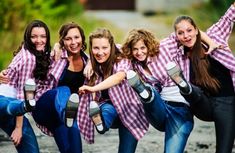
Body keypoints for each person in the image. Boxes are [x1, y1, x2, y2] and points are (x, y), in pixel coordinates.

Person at [163, 2, 235, 153]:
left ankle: (185, 86)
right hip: (202, 103)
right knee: (192, 91)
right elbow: (163, 44)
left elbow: (229, 16)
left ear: (197, 30)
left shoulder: (215, 35)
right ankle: (183, 85)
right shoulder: (180, 53)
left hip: (226, 103)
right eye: (180, 33)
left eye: (189, 30)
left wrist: (208, 41)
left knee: (224, 149)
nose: (186, 36)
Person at [77, 28, 149, 153]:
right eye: (96, 48)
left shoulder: (122, 58)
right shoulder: (92, 63)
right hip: (110, 108)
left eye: (104, 48)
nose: (100, 52)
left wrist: (93, 88)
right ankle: (101, 124)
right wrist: (89, 62)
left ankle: (102, 122)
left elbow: (119, 77)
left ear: (111, 46)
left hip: (130, 109)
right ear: (91, 48)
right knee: (107, 109)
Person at [31, 22, 89, 153]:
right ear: (62, 41)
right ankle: (66, 114)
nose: (73, 42)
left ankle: (66, 116)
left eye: (76, 37)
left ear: (82, 38)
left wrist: (91, 63)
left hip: (62, 117)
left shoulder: (88, 61)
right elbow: (29, 61)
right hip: (44, 106)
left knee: (72, 149)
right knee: (65, 91)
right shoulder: (55, 55)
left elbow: (113, 48)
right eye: (68, 39)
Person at [0, 19, 52, 153]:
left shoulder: (32, 51)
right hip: (9, 103)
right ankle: (25, 106)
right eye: (34, 36)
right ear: (28, 38)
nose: (39, 40)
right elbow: (21, 94)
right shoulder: (29, 58)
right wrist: (18, 128)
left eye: (43, 36)